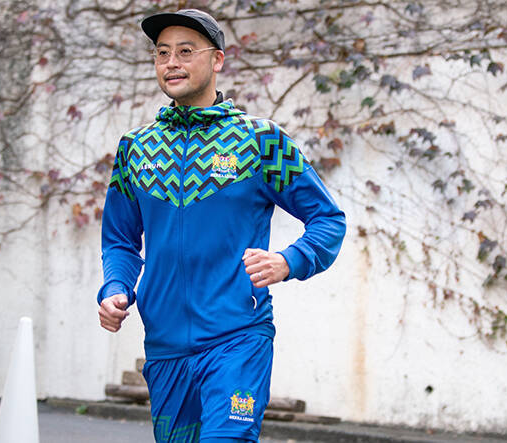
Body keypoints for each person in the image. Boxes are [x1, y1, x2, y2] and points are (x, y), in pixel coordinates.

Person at [96, 9, 346, 443]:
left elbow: (328, 219)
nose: (171, 63)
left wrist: (289, 261)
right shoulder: (136, 148)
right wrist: (115, 288)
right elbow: (119, 240)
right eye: (162, 53)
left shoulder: (261, 141)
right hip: (165, 346)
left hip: (238, 339)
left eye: (185, 51)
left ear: (217, 60)